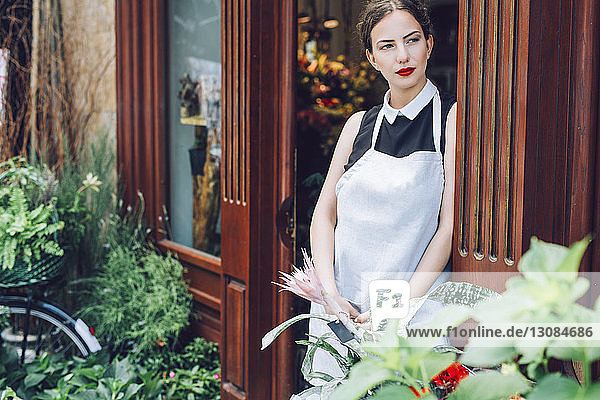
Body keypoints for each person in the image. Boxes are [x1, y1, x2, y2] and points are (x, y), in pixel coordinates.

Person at [307, 0, 457, 382]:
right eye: (387, 46)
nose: (403, 56)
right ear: (372, 58)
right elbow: (325, 215)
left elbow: (446, 228)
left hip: (410, 313)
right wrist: (329, 294)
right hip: (342, 307)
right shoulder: (358, 125)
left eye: (412, 41)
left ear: (430, 44)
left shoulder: (450, 120)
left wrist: (394, 308)